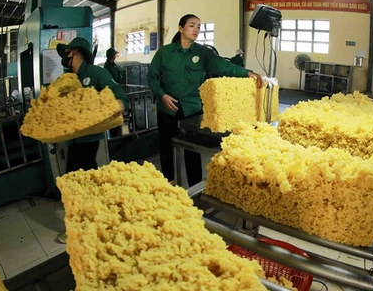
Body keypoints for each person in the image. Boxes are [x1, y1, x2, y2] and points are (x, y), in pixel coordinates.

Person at [148, 14, 264, 188]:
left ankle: (195, 187)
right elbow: (152, 77)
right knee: (166, 147)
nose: (196, 30)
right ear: (181, 28)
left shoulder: (202, 53)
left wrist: (247, 73)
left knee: (192, 150)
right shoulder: (165, 53)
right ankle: (169, 183)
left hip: (191, 110)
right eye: (192, 25)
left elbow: (222, 65)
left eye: (199, 27)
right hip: (167, 108)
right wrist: (162, 95)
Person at [55, 37, 129, 243]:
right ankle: (89, 222)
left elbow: (119, 93)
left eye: (67, 52)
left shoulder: (96, 73)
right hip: (73, 138)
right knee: (79, 180)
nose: (65, 57)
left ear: (77, 52)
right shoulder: (69, 78)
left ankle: (86, 226)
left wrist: (120, 104)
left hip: (89, 137)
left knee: (78, 180)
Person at [104, 48, 124, 138]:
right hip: (112, 94)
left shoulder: (113, 65)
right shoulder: (107, 66)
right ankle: (114, 136)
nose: (116, 56)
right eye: (114, 55)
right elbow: (111, 80)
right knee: (114, 115)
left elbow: (119, 74)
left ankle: (118, 134)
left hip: (117, 91)